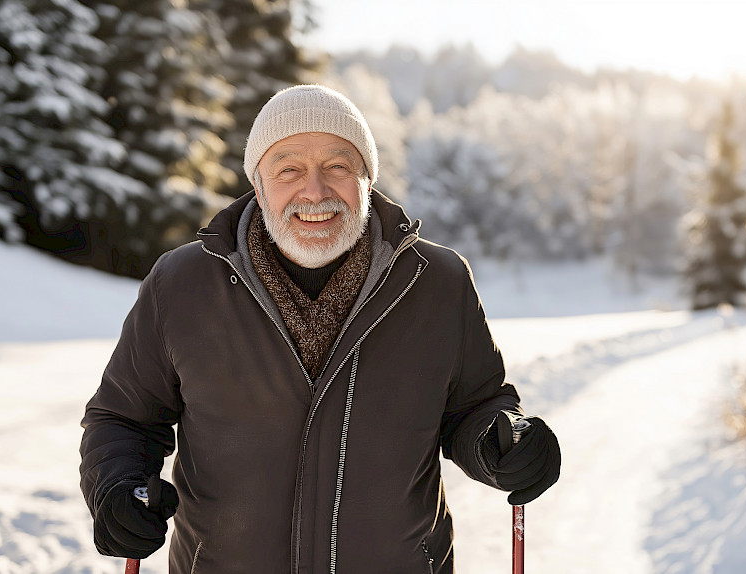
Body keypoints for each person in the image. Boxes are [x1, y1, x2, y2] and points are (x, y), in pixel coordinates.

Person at [79, 84, 561, 573]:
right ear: (259, 184)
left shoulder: (437, 281)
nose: (315, 191)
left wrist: (501, 444)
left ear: (367, 181)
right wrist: (117, 487)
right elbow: (124, 418)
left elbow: (475, 407)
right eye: (288, 169)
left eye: (337, 166)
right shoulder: (182, 284)